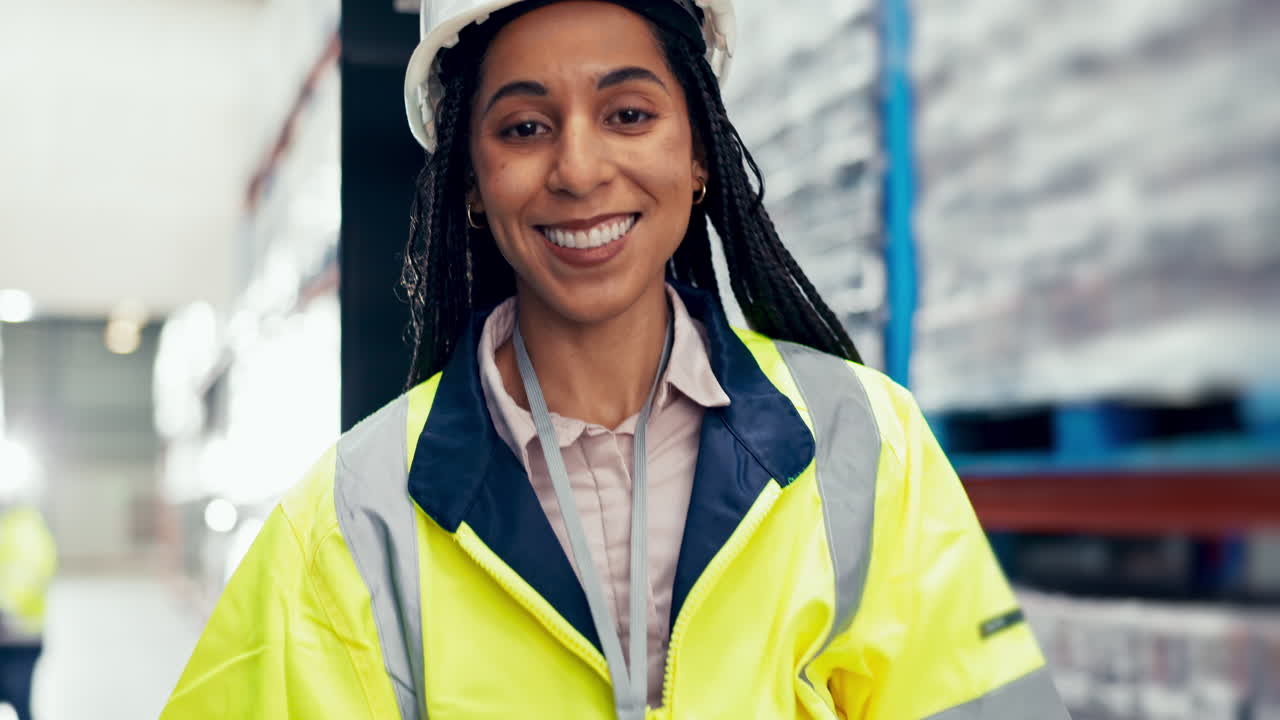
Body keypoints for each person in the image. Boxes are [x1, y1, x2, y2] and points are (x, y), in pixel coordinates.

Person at [162, 1, 1070, 717]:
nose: (581, 168)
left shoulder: (866, 449)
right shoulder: (352, 520)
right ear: (471, 183)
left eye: (628, 113)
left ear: (700, 152)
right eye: (524, 128)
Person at [0, 502, 56, 720]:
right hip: (15, 635)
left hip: (20, 636)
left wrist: (6, 606)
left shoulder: (26, 529)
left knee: (20, 701)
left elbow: (31, 574)